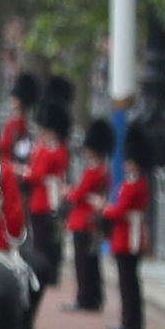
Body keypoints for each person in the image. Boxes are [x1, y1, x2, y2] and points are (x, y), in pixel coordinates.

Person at [100, 126, 150, 329]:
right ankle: (130, 320)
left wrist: (104, 208)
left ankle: (130, 322)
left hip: (129, 236)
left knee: (128, 283)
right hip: (125, 234)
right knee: (128, 281)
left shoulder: (135, 184)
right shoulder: (131, 182)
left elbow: (120, 210)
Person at [64, 121, 111, 314]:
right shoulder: (102, 170)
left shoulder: (93, 170)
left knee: (83, 264)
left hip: (83, 220)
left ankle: (84, 298)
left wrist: (67, 192)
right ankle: (94, 297)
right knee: (92, 262)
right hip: (92, 219)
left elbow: (78, 194)